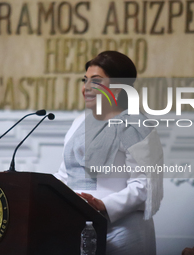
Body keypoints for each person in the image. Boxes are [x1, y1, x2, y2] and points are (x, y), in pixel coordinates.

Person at [55, 51, 163, 255]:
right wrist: (28, 182)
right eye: (85, 80)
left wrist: (103, 205)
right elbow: (64, 176)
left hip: (124, 233)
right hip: (81, 230)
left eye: (95, 81)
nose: (86, 88)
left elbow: (146, 186)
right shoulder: (79, 122)